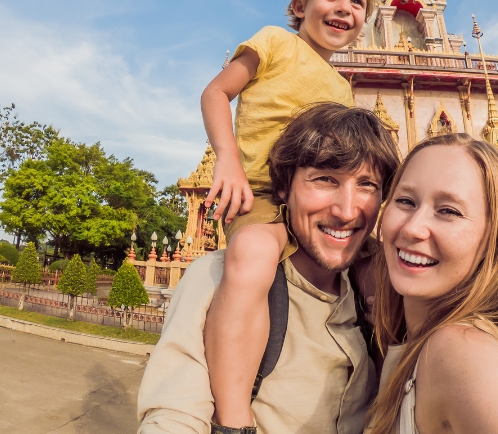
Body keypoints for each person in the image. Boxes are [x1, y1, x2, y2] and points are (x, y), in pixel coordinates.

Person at [138, 103, 400, 434]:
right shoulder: (221, 278)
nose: (347, 211)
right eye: (324, 180)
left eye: (367, 185)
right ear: (283, 188)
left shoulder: (375, 292)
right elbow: (175, 415)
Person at [200, 0, 376, 429]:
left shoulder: (343, 89)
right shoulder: (275, 42)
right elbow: (216, 93)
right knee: (256, 251)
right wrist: (228, 158)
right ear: (300, 7)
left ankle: (397, 373)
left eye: (357, 2)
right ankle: (233, 415)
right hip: (259, 192)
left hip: (316, 206)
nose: (344, 8)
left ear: (363, 24)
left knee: (383, 263)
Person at [365, 134, 498, 434]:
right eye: (405, 201)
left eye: (448, 211)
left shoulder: (462, 353)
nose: (412, 228)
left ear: (492, 240)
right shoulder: (410, 340)